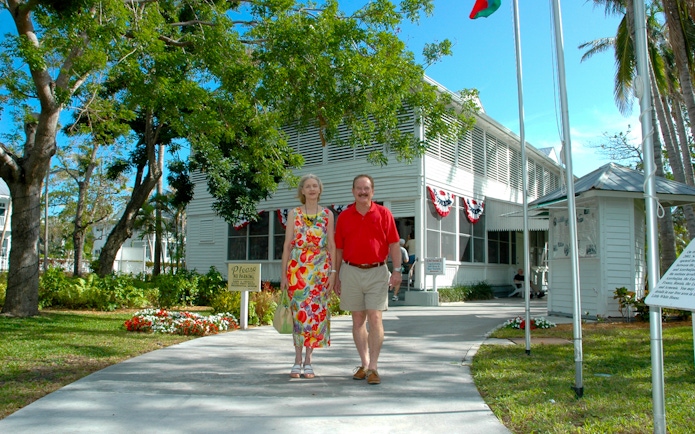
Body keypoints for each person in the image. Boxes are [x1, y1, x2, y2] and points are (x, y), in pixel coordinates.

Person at [333, 174, 402, 385]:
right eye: (359, 188)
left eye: (367, 188)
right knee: (357, 320)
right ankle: (363, 364)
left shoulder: (384, 214)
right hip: (351, 271)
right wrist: (336, 276)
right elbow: (338, 249)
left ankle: (374, 367)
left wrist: (397, 270)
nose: (363, 192)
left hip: (377, 271)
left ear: (373, 191)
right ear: (353, 191)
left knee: (375, 318)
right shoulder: (344, 216)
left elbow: (394, 244)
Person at [280, 174, 336, 379]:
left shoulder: (327, 214)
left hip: (320, 271)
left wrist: (333, 273)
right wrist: (284, 275)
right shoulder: (294, 214)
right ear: (302, 191)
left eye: (315, 186)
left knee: (314, 316)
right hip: (297, 270)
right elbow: (287, 245)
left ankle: (309, 361)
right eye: (308, 186)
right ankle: (296, 360)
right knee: (298, 316)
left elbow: (331, 245)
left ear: (320, 190)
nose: (312, 189)